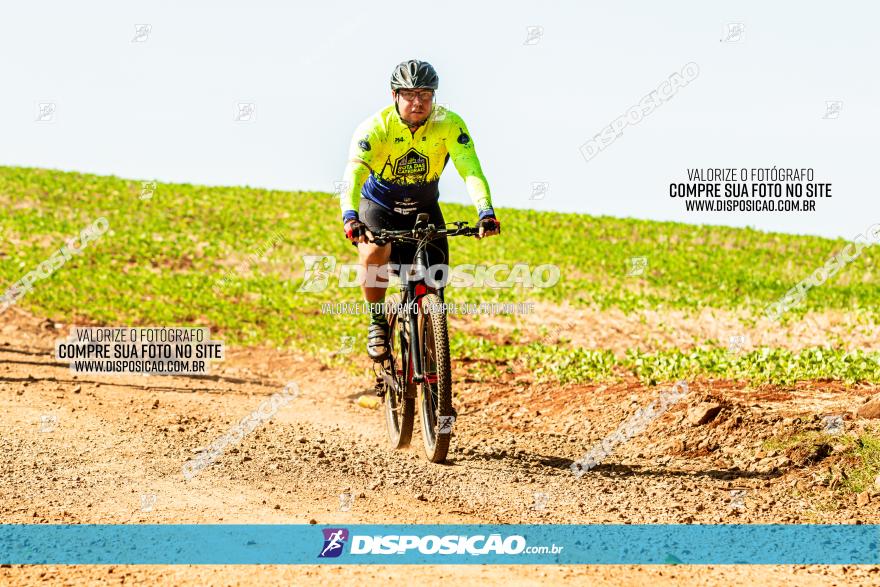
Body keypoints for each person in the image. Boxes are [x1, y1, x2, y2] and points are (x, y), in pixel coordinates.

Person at [339, 59, 500, 361]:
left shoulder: (449, 124)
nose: (418, 102)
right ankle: (376, 323)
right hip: (380, 207)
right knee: (373, 253)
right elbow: (353, 174)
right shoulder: (375, 128)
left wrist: (485, 211)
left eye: (425, 95)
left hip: (425, 210)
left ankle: (431, 372)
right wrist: (350, 216)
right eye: (410, 95)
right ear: (394, 96)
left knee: (434, 284)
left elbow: (471, 170)